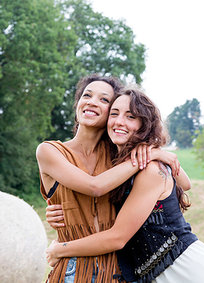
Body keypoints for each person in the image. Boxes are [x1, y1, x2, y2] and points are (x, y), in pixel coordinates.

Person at [45, 89, 204, 283]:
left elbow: (117, 237)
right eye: (114, 114)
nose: (120, 121)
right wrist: (60, 210)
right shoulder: (119, 168)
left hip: (191, 272)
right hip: (156, 275)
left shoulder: (151, 170)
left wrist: (60, 249)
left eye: (131, 116)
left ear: (143, 125)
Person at [36, 75, 183, 283]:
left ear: (111, 114)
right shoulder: (50, 151)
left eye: (104, 100)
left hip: (120, 272)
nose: (92, 102)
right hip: (73, 269)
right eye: (87, 95)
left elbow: (184, 183)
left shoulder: (119, 155)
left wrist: (158, 152)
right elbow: (94, 187)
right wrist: (152, 155)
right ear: (77, 104)